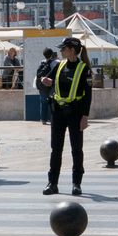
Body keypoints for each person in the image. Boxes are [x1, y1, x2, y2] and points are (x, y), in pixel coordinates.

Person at [40, 37, 93, 196]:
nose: (61, 51)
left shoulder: (84, 69)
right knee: (56, 148)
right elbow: (47, 78)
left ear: (71, 49)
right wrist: (45, 80)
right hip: (57, 111)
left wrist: (85, 116)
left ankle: (76, 183)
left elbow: (88, 95)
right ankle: (52, 183)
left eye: (64, 48)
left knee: (76, 149)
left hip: (76, 112)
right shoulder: (60, 65)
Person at [35, 47, 57, 125]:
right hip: (50, 86)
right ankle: (52, 119)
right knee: (52, 103)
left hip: (42, 87)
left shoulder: (42, 62)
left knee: (43, 103)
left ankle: (43, 120)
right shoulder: (55, 62)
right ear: (52, 54)